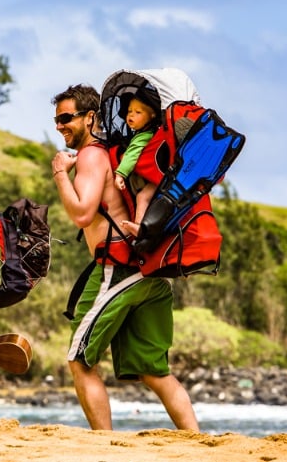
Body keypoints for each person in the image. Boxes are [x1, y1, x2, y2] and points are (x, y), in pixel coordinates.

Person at [50, 84, 198, 431]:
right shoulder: (116, 153)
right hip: (150, 272)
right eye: (56, 120)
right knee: (154, 371)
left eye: (65, 118)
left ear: (90, 117)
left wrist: (59, 174)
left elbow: (83, 214)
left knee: (80, 362)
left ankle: (104, 447)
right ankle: (199, 443)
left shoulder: (91, 156)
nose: (59, 126)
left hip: (117, 270)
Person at [114, 87, 161, 237]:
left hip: (157, 181)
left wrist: (120, 174)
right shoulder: (151, 133)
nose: (131, 115)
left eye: (138, 112)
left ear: (152, 115)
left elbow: (132, 155)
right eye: (129, 111)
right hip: (160, 178)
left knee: (142, 197)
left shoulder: (143, 136)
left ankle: (139, 227)